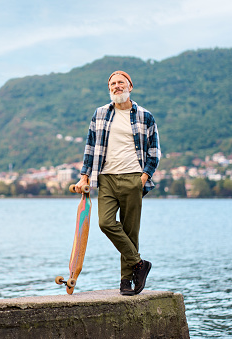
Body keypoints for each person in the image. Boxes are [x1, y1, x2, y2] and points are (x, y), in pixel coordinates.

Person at [75, 70, 161, 296]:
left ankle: (126, 282)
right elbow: (90, 147)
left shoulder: (145, 116)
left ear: (130, 86)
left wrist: (143, 178)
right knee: (105, 223)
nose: (116, 86)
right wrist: (84, 175)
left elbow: (154, 152)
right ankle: (139, 264)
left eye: (121, 82)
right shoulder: (100, 114)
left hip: (134, 177)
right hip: (106, 178)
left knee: (130, 231)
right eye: (112, 84)